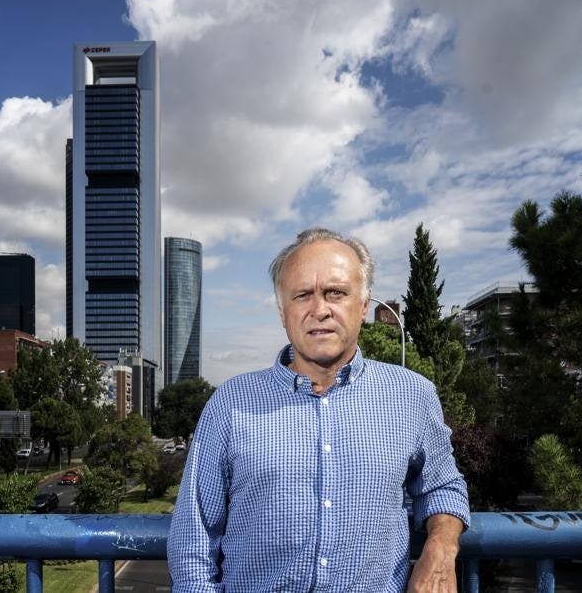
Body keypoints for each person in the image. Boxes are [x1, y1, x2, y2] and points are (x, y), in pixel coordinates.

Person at [169, 227, 470, 592]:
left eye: (336, 293)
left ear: (363, 305)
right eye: (302, 295)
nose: (320, 310)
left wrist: (441, 546)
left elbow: (443, 485)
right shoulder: (230, 404)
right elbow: (194, 539)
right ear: (283, 312)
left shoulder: (414, 395)